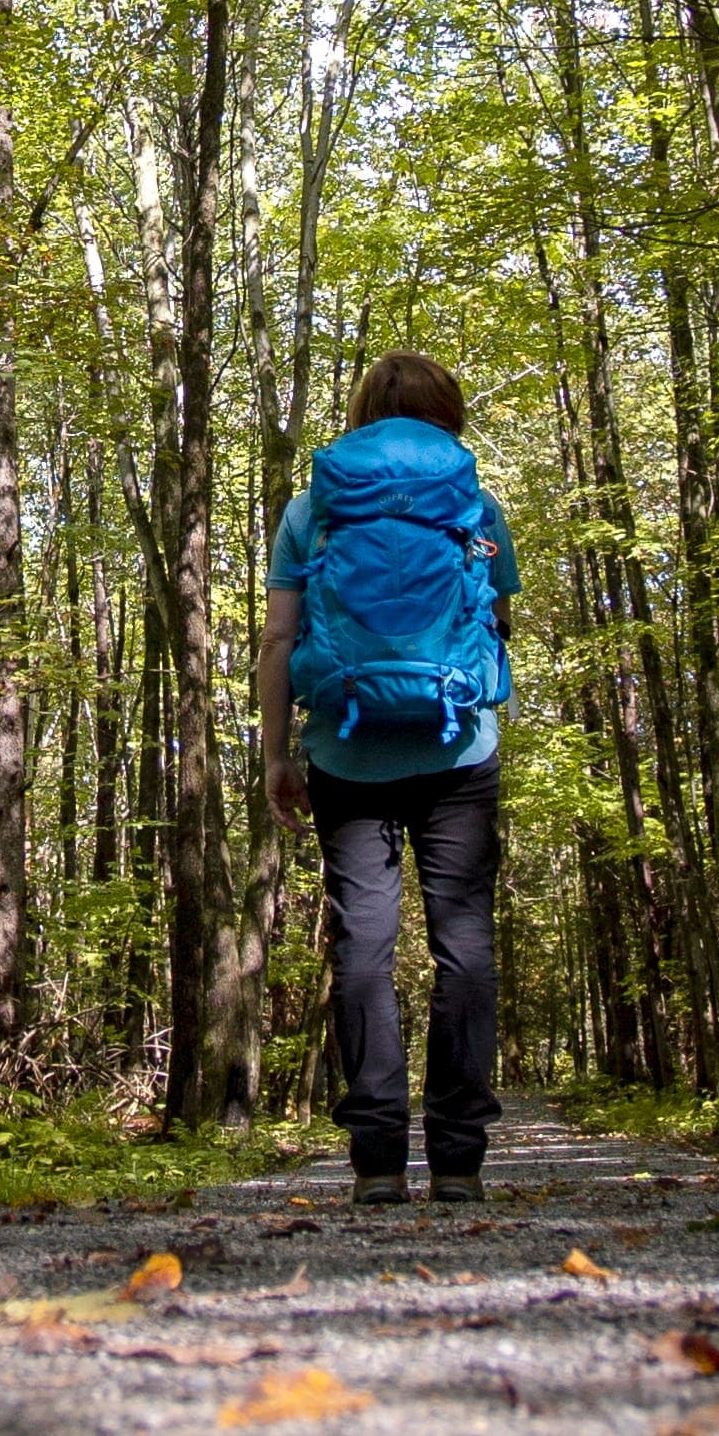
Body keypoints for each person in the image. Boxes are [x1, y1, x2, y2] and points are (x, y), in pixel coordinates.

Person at [260, 350, 516, 1206]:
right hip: (459, 751)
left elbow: (276, 642)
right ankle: (458, 1157)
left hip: (345, 747)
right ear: (449, 411)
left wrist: (275, 753)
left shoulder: (314, 508)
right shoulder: (476, 506)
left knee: (362, 947)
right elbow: (497, 621)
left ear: (363, 411)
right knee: (464, 945)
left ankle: (375, 1159)